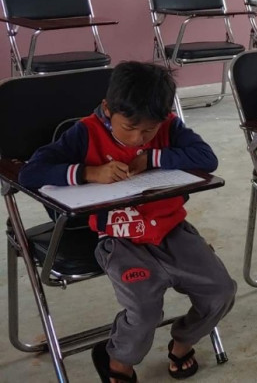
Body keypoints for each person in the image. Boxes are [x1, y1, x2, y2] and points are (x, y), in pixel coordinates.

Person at [19, 62, 235, 383]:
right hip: (119, 238)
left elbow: (207, 159)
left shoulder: (168, 126)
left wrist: (152, 157)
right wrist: (88, 172)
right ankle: (119, 361)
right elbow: (31, 172)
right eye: (129, 127)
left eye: (148, 130)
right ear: (108, 109)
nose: (137, 138)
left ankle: (182, 343)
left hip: (171, 230)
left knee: (221, 291)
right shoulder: (86, 132)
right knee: (145, 309)